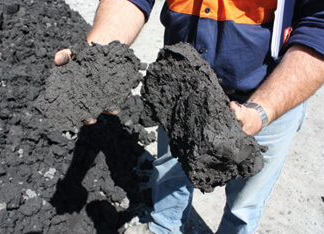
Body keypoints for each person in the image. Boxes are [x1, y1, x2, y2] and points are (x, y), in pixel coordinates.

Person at [55, 0, 324, 233]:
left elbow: (318, 26)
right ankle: (163, 228)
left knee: (246, 200)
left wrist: (263, 110)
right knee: (170, 171)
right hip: (181, 84)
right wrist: (98, 59)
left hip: (267, 89)